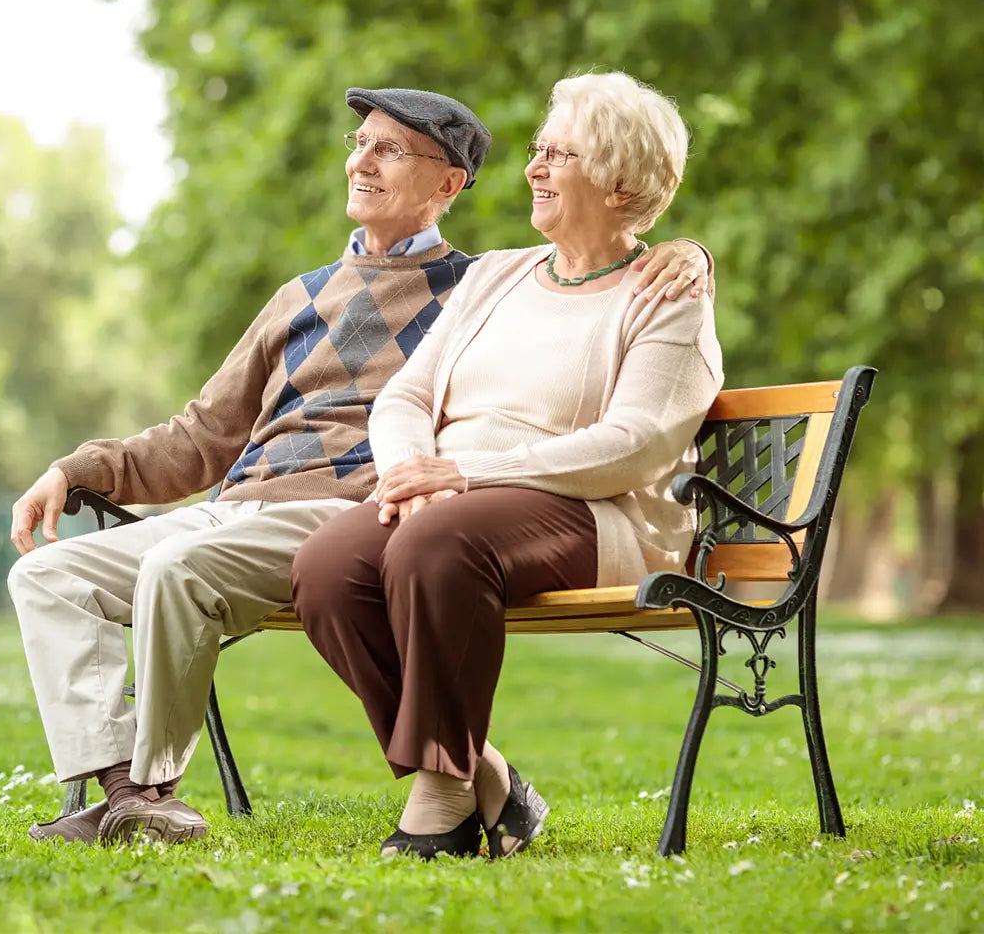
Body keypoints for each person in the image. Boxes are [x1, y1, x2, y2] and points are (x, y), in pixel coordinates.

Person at [7, 85, 712, 846]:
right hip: (271, 505)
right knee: (47, 574)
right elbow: (204, 435)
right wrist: (77, 470)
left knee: (196, 565)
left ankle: (157, 793)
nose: (362, 161)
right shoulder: (323, 296)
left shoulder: (465, 281)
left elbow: (618, 344)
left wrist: (688, 249)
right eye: (359, 144)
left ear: (449, 185)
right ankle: (120, 793)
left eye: (391, 149)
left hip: (380, 507)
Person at [290, 71, 724, 860]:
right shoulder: (498, 275)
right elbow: (405, 396)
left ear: (623, 184)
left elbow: (634, 444)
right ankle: (481, 770)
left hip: (597, 511)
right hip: (452, 500)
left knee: (437, 546)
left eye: (560, 154)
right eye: (539, 149)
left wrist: (462, 479)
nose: (534, 167)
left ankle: (443, 801)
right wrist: (409, 470)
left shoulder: (667, 294)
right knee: (326, 566)